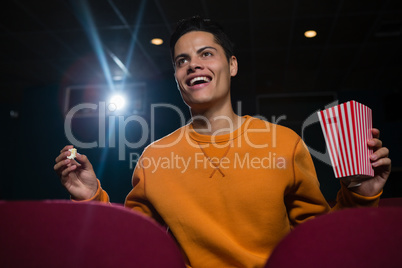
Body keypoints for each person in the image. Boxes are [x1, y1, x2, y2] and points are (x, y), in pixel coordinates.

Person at [54, 16, 391, 268]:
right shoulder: (154, 157)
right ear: (176, 77)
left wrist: (361, 195)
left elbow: (319, 242)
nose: (193, 65)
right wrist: (90, 198)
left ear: (231, 65)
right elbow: (132, 247)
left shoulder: (283, 143)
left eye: (206, 53)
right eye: (181, 60)